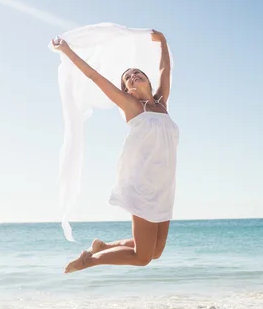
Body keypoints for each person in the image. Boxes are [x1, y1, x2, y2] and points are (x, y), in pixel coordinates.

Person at [52, 30, 179, 274]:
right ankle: (89, 260)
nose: (132, 77)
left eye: (137, 73)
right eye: (127, 78)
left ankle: (103, 246)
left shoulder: (161, 103)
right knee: (142, 258)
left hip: (165, 187)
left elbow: (165, 70)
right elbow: (94, 77)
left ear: (148, 81)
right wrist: (67, 52)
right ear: (127, 91)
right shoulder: (132, 107)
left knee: (155, 252)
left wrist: (163, 41)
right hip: (142, 186)